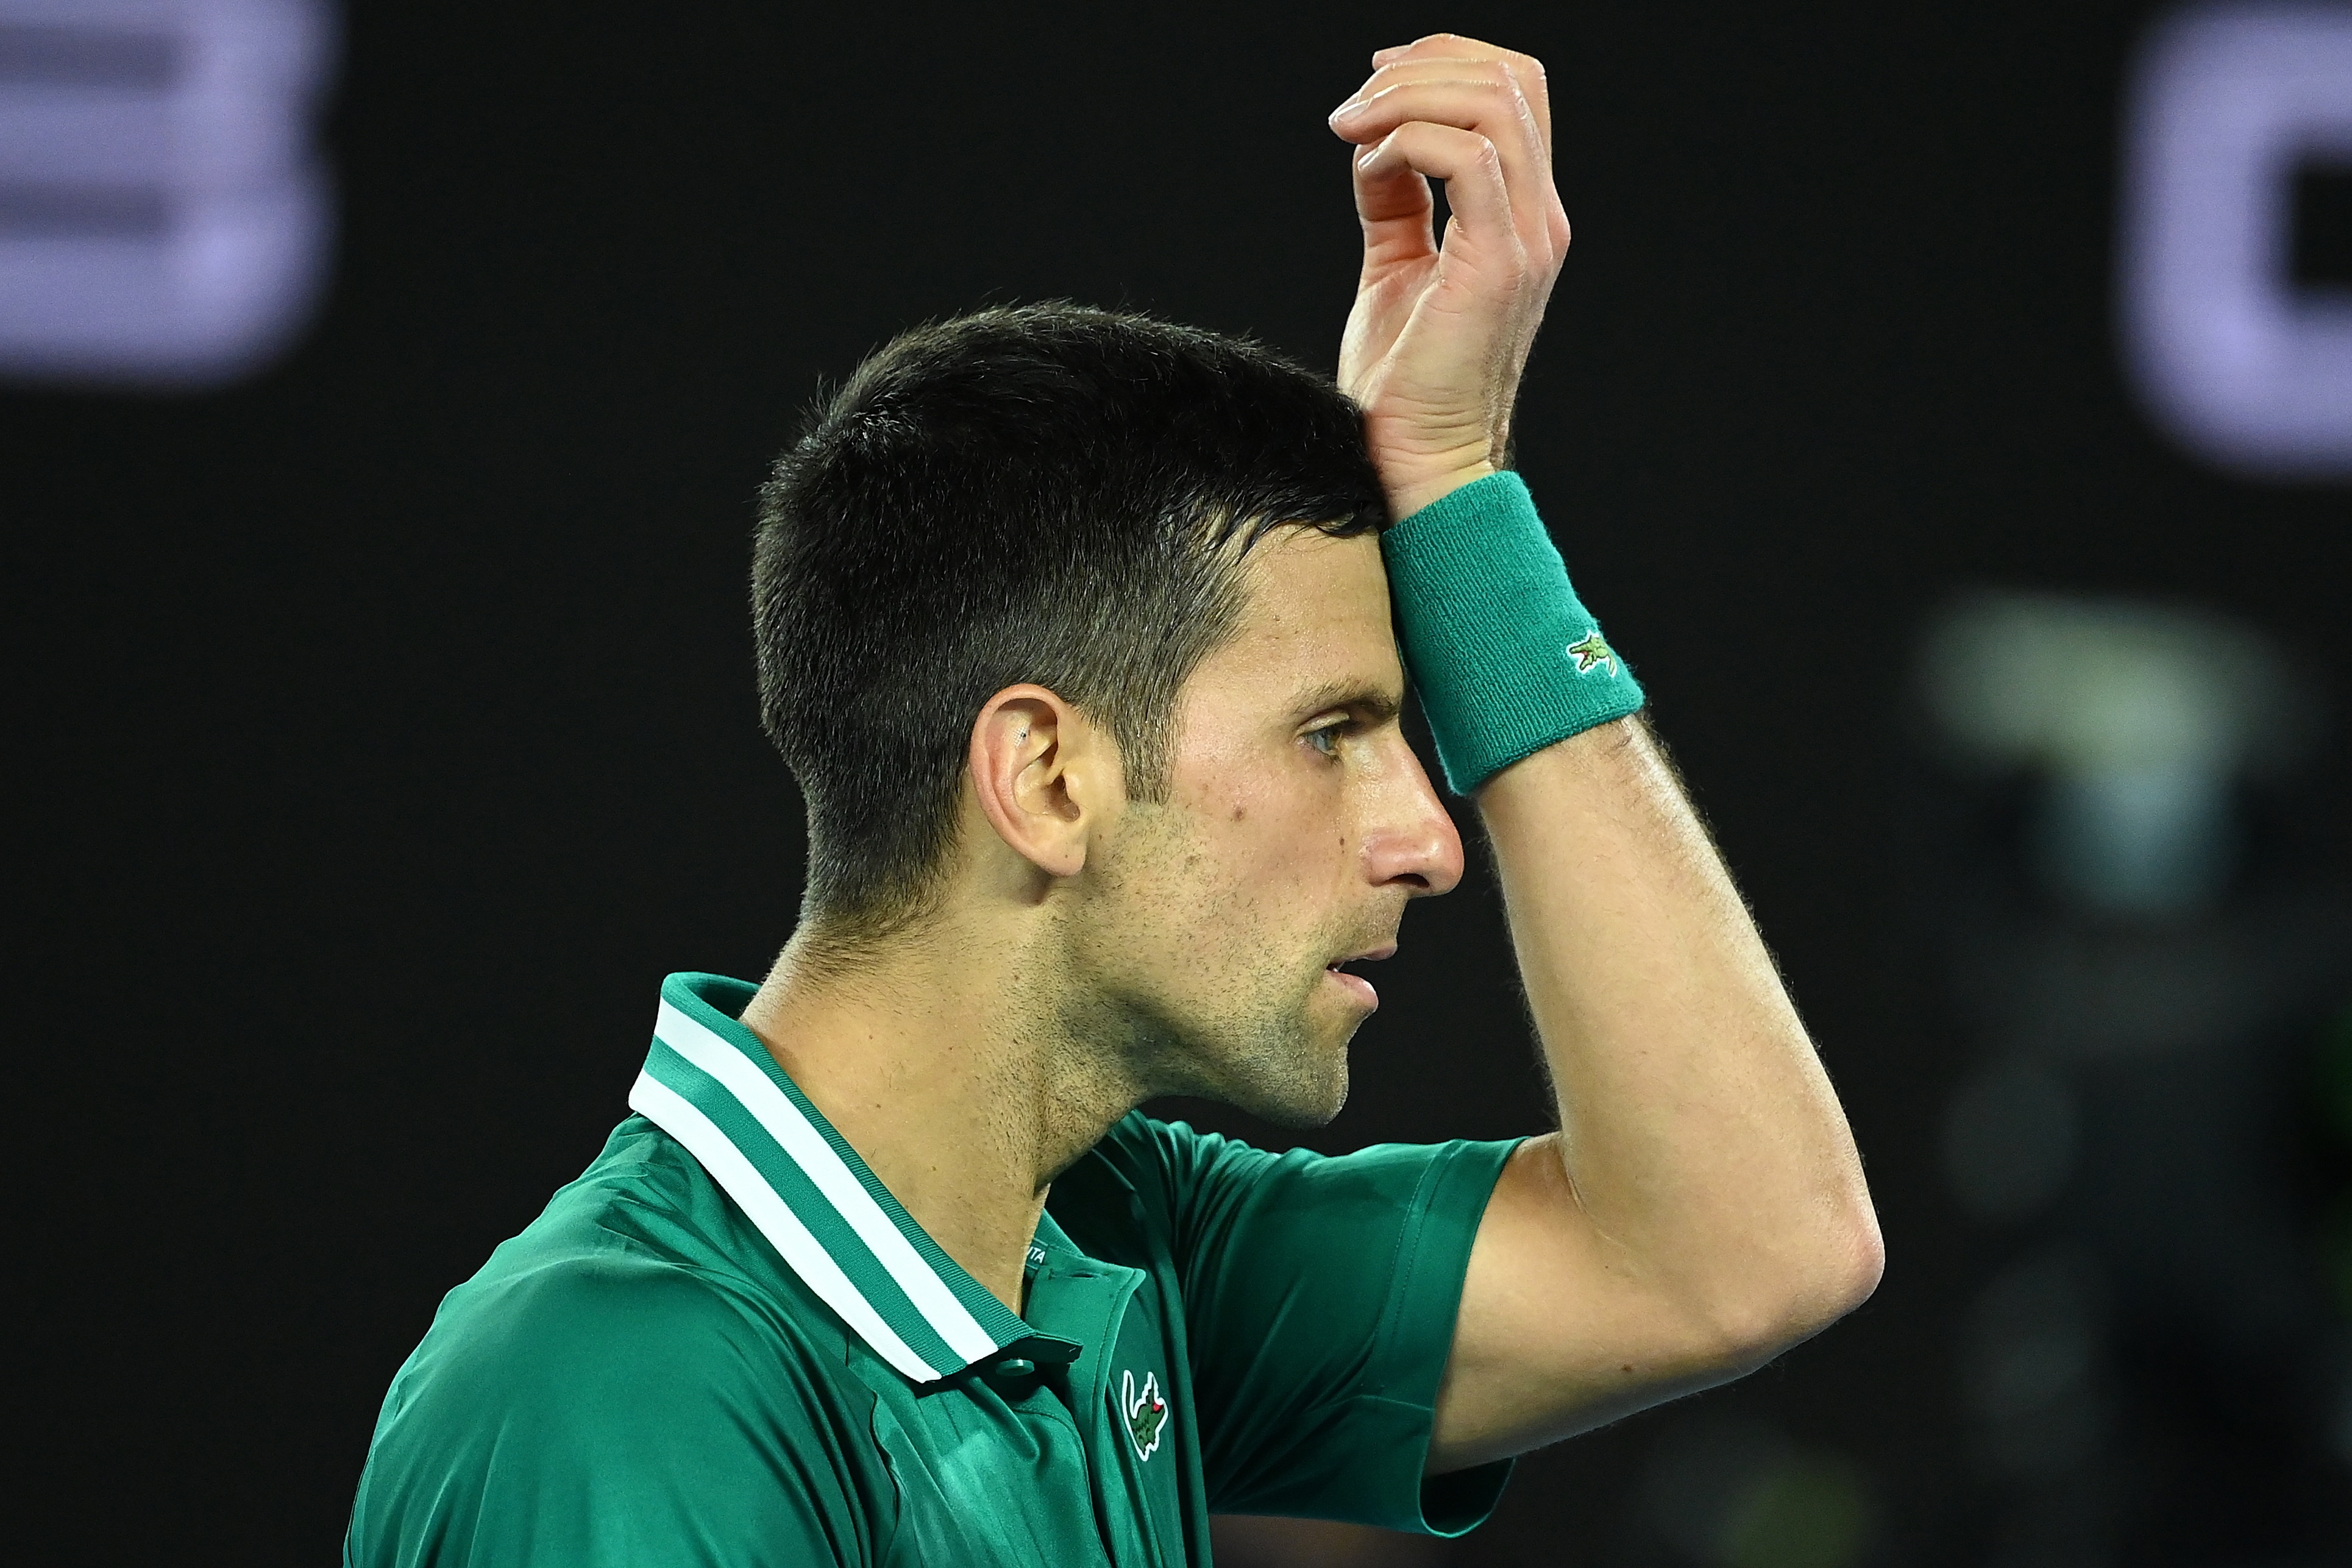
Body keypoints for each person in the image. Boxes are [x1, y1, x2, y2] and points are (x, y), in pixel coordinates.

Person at [345, 33, 1881, 1567]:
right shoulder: (628, 1393)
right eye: (1333, 731)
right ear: (1045, 776)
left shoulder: (1096, 1243)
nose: (1428, 839)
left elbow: (1745, 1250)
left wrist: (1459, 491)